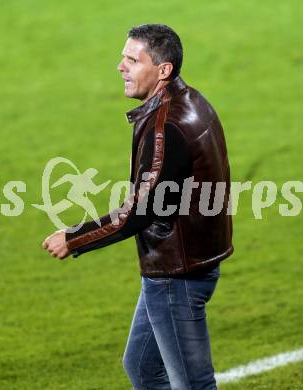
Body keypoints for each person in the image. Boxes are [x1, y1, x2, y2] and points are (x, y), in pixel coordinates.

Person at [43, 24, 233, 390]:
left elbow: (138, 213)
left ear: (164, 70)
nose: (120, 66)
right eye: (123, 57)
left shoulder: (167, 126)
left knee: (192, 384)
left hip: (176, 273)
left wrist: (74, 238)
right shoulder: (191, 101)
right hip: (185, 263)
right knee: (143, 369)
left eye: (132, 59)